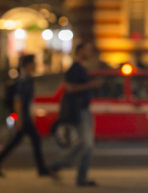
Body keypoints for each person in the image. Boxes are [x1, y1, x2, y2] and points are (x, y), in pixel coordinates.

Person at [49, 43, 102, 187]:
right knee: (86, 144)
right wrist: (90, 85)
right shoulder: (75, 68)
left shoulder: (82, 68)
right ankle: (59, 166)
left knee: (88, 145)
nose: (90, 52)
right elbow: (70, 88)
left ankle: (81, 177)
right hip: (79, 111)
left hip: (84, 109)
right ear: (80, 51)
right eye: (87, 49)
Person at [0, 54, 49, 178]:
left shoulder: (28, 79)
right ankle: (41, 169)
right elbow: (18, 101)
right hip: (23, 117)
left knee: (18, 141)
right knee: (34, 140)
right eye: (34, 62)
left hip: (25, 116)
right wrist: (18, 119)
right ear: (28, 64)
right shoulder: (24, 80)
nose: (35, 65)